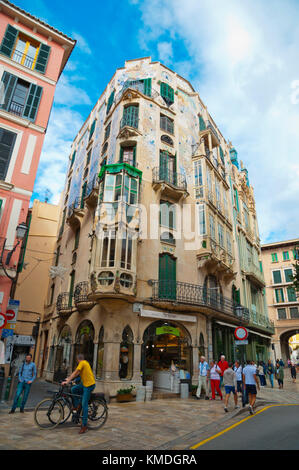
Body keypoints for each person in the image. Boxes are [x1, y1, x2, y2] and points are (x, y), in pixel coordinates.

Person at [62, 354, 96, 434]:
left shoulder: (83, 363)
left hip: (89, 385)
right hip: (84, 384)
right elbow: (78, 375)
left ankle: (84, 426)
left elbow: (75, 372)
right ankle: (77, 405)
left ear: (78, 359)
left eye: (77, 361)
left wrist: (67, 381)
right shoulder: (84, 364)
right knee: (73, 389)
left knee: (84, 405)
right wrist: (69, 379)